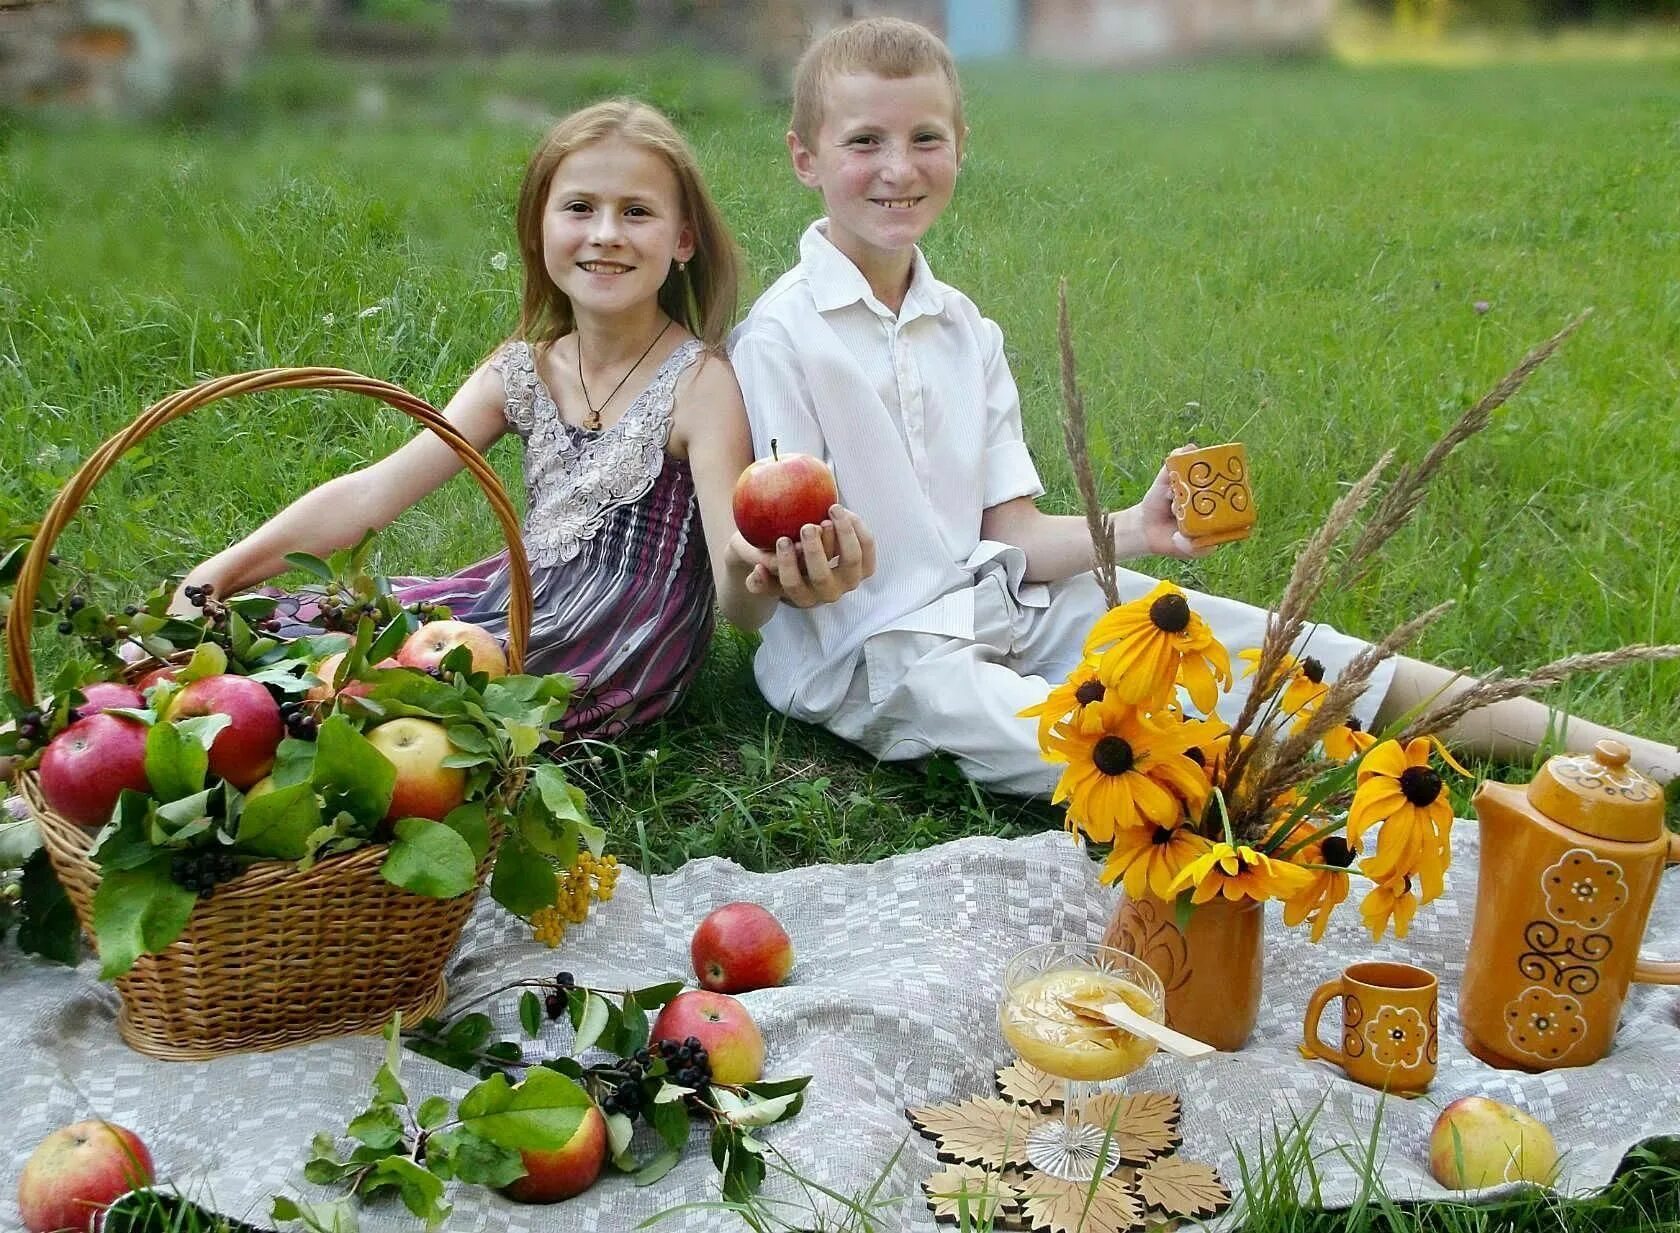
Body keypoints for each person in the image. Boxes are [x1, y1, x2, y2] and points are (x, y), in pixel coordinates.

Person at [728, 17, 1678, 795]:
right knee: (1129, 759)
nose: (898, 168)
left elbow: (1006, 530)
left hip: (1005, 602)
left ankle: (1631, 759)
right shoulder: (783, 336)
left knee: (1291, 653)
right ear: (806, 159)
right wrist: (812, 571)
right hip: (879, 655)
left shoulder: (966, 330)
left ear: (961, 148)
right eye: (865, 143)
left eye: (923, 138)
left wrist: (1136, 529)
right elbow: (784, 575)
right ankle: (1312, 803)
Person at [178, 99, 872, 741]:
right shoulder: (523, 371)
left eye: (637, 212)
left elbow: (735, 595)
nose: (606, 234)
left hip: (610, 647)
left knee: (375, 698)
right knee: (289, 628)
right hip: (514, 604)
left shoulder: (699, 384)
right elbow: (373, 492)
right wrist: (216, 574)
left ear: (683, 239)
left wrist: (766, 577)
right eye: (579, 207)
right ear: (540, 228)